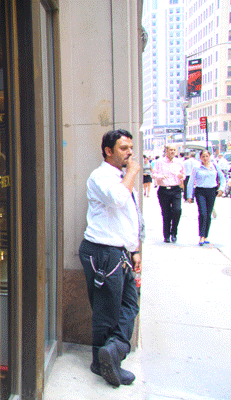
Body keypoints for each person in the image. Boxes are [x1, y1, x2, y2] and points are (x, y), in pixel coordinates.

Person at [78, 129, 143, 387]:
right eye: (124, 148)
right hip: (103, 252)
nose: (130, 153)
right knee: (106, 312)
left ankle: (114, 350)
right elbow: (117, 200)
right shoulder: (101, 176)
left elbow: (128, 216)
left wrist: (134, 249)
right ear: (108, 151)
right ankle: (101, 362)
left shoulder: (118, 176)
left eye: (130, 148)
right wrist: (132, 172)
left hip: (121, 252)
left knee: (130, 304)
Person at [186, 150, 227, 246]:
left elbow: (222, 178)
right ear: (200, 158)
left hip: (211, 191)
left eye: (207, 156)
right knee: (203, 213)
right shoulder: (197, 168)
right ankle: (201, 236)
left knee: (208, 214)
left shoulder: (214, 166)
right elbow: (191, 182)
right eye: (203, 156)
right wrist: (189, 196)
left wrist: (221, 189)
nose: (205, 158)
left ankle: (206, 235)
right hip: (200, 191)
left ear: (209, 157)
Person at [152, 145, 185, 243]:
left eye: (174, 150)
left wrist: (181, 176)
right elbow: (153, 174)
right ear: (166, 151)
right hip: (164, 190)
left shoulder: (179, 162)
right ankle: (166, 235)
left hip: (175, 189)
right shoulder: (159, 162)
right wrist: (160, 176)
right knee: (166, 213)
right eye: (171, 150)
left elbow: (184, 175)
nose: (172, 151)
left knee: (177, 210)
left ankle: (174, 232)